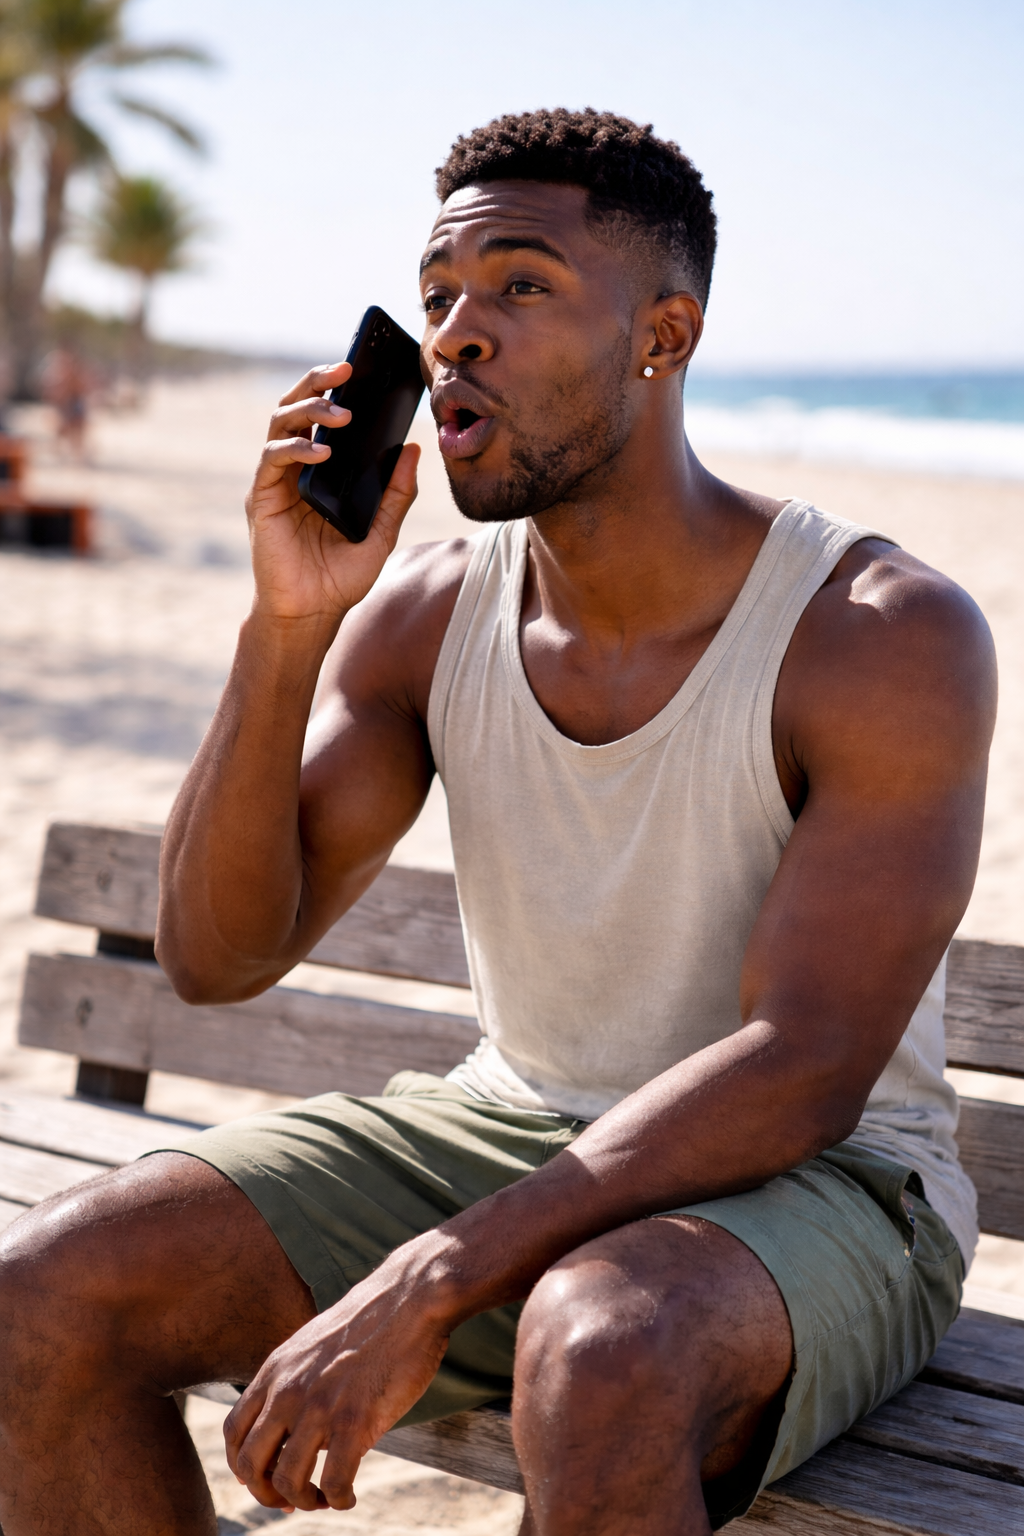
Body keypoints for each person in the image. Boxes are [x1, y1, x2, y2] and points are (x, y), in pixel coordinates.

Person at [0, 109, 995, 1536]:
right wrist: (287, 627)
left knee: (601, 1351)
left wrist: (430, 1276)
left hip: (829, 1182)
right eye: (439, 294)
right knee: (44, 1293)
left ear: (663, 336)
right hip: (506, 1127)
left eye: (522, 285)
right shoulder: (423, 615)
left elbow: (808, 1068)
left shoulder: (877, 634)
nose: (457, 332)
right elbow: (218, 959)